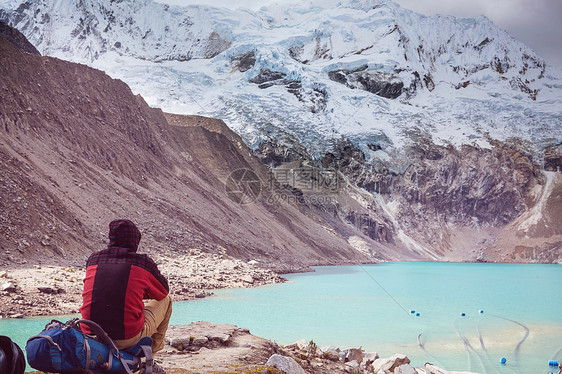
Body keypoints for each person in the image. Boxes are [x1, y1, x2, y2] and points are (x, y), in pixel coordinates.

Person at [80, 219, 172, 373]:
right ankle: (150, 360)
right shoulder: (142, 262)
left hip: (89, 335)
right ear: (135, 241)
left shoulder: (93, 260)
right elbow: (163, 291)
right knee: (167, 301)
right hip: (124, 338)